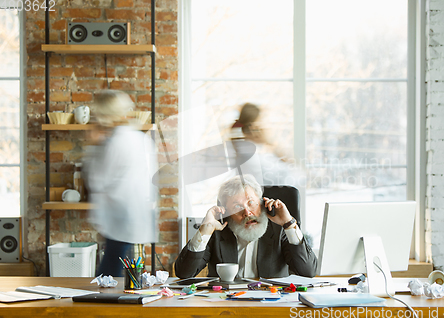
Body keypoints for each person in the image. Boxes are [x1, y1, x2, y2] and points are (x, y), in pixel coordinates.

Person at [175, 174, 317, 278]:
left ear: (262, 202)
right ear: (227, 212)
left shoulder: (280, 229)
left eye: (251, 202)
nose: (247, 212)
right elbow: (184, 273)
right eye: (237, 206)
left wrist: (288, 223)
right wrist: (204, 230)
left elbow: (308, 271)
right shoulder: (217, 232)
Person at [83, 90, 158, 276]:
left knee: (110, 270)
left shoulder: (116, 141)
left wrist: (92, 146)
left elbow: (98, 180)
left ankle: (104, 302)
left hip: (120, 214)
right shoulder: (141, 138)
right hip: (138, 212)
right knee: (124, 267)